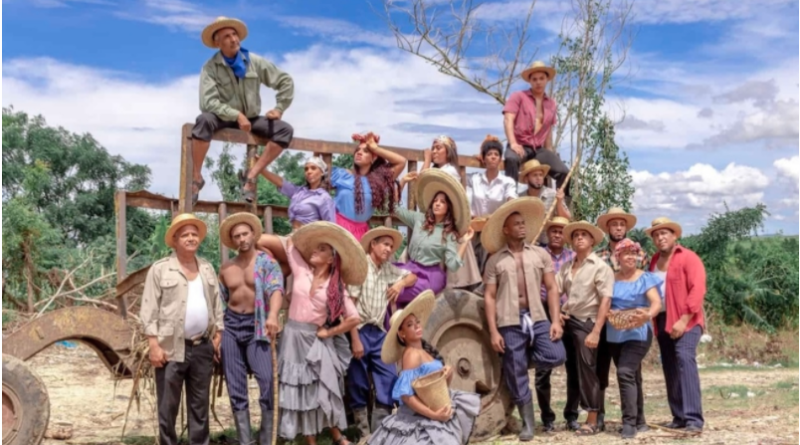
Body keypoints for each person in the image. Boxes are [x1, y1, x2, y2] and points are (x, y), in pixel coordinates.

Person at [482, 198, 566, 442]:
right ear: (505, 230)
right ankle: (528, 423)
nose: (521, 226)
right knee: (517, 374)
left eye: (523, 223)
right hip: (509, 320)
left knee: (557, 354)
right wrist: (493, 331)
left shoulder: (540, 254)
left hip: (537, 316)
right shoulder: (495, 260)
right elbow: (489, 297)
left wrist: (555, 320)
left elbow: (552, 288)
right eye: (516, 224)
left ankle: (516, 360)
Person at [278, 222, 367, 445]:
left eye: (322, 249)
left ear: (331, 259)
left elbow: (354, 318)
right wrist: (300, 229)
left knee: (322, 387)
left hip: (314, 340)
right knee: (300, 388)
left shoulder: (335, 287)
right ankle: (311, 442)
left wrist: (330, 331)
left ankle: (337, 436)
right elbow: (290, 245)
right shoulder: (302, 271)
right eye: (315, 248)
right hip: (292, 338)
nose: (315, 251)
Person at [191, 17, 295, 204]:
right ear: (218, 43)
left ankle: (250, 177)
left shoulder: (254, 61)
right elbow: (208, 102)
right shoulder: (210, 68)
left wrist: (279, 109)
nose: (233, 39)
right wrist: (236, 115)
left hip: (251, 118)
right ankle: (197, 177)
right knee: (203, 120)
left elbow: (285, 81)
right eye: (227, 36)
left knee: (285, 130)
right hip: (223, 117)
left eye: (234, 34)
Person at [140, 214, 224, 445]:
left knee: (200, 407)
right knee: (168, 407)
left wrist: (218, 336)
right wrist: (153, 345)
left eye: (194, 234)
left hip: (202, 347)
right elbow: (149, 308)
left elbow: (216, 303)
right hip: (170, 349)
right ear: (175, 240)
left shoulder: (206, 268)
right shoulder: (160, 270)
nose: (190, 238)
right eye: (185, 235)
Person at [368, 290, 480, 445]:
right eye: (409, 325)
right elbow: (406, 396)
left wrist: (447, 375)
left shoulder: (425, 352)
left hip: (435, 408)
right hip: (420, 416)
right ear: (402, 334)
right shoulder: (411, 355)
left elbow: (435, 389)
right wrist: (433, 415)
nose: (416, 326)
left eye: (417, 322)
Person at [218, 213, 284, 445]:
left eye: (245, 234)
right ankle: (245, 441)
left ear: (253, 235)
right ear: (232, 240)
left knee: (267, 380)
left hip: (258, 324)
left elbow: (276, 290)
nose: (242, 239)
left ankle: (266, 438)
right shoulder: (227, 268)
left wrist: (273, 315)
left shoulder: (267, 263)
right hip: (231, 327)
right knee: (235, 385)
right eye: (237, 236)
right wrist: (217, 332)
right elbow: (220, 301)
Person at [346, 227, 418, 438]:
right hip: (359, 328)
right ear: (373, 244)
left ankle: (379, 432)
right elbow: (350, 307)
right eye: (385, 244)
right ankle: (363, 433)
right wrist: (354, 338)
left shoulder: (387, 269)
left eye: (391, 246)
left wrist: (400, 283)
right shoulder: (361, 267)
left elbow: (412, 276)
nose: (388, 249)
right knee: (357, 379)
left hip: (379, 332)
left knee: (389, 375)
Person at [390, 169, 475, 327]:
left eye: (442, 202)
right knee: (383, 281)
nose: (437, 203)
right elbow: (394, 208)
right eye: (435, 200)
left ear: (448, 208)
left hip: (430, 277)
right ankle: (393, 332)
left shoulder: (448, 234)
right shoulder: (419, 219)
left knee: (394, 292)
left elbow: (453, 265)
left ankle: (396, 332)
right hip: (409, 268)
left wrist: (465, 242)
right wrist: (403, 182)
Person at [646, 217, 706, 433]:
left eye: (664, 233)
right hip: (662, 319)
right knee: (670, 365)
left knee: (684, 358)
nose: (660, 238)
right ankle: (679, 416)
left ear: (674, 236)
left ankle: (693, 420)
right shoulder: (654, 261)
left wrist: (683, 319)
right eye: (656, 235)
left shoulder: (688, 258)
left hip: (687, 320)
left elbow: (697, 290)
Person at [594, 206, 649, 430]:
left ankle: (638, 419)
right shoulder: (598, 256)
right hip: (603, 320)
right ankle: (598, 417)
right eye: (614, 224)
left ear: (626, 228)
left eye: (621, 224)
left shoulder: (640, 255)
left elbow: (644, 284)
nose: (618, 228)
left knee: (631, 372)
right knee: (600, 370)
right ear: (607, 228)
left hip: (629, 322)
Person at [556, 221, 614, 436]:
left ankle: (592, 419)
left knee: (588, 370)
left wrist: (596, 331)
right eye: (576, 235)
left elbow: (606, 300)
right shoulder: (567, 267)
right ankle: (571, 415)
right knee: (572, 369)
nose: (579, 237)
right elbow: (554, 290)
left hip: (588, 322)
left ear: (592, 241)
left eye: (584, 235)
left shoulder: (600, 267)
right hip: (569, 320)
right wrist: (556, 313)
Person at [606, 239, 662, 439]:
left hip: (639, 332)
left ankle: (629, 423)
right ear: (618, 257)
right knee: (633, 375)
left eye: (633, 253)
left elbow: (656, 302)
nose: (630, 257)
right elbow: (604, 301)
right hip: (615, 332)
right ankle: (640, 421)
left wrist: (648, 315)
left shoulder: (645, 278)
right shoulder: (611, 279)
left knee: (625, 372)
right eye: (626, 253)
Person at [533, 216, 581, 432]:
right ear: (547, 233)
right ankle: (547, 417)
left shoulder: (574, 256)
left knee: (574, 367)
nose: (557, 235)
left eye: (561, 231)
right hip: (543, 311)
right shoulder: (538, 254)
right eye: (553, 230)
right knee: (544, 366)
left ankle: (571, 415)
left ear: (566, 236)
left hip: (570, 313)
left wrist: (564, 311)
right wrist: (553, 314)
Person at [255, 156, 335, 277]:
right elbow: (279, 182)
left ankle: (277, 269)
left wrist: (325, 253)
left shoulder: (324, 197)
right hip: (292, 236)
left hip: (307, 241)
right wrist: (261, 166)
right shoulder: (299, 192)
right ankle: (275, 276)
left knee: (259, 240)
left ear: (322, 173)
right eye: (306, 169)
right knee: (275, 275)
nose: (309, 171)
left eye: (313, 168)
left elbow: (331, 226)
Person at [419, 135, 481, 290]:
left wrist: (426, 160)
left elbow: (421, 179)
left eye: (438, 148)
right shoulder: (439, 170)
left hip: (447, 222)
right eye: (433, 148)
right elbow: (421, 182)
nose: (434, 151)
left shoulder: (449, 171)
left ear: (448, 152)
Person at [502, 61, 571, 194]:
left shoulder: (551, 103)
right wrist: (513, 143)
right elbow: (508, 119)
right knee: (511, 159)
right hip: (520, 145)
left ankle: (562, 205)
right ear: (530, 81)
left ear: (547, 80)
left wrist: (550, 152)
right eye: (534, 79)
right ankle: (510, 200)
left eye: (541, 78)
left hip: (538, 149)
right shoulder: (518, 96)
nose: (538, 82)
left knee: (564, 173)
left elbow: (548, 130)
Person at [330, 132, 407, 240]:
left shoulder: (378, 181)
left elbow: (401, 162)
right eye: (357, 150)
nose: (359, 153)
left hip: (361, 233)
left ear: (373, 158)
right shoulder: (342, 174)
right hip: (337, 227)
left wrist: (375, 148)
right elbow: (319, 176)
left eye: (365, 151)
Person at [467, 135, 518, 273]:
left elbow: (512, 201)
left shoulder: (507, 182)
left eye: (496, 154)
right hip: (474, 227)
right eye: (489, 154)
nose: (493, 157)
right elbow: (466, 199)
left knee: (490, 265)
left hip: (495, 229)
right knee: (471, 263)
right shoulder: (474, 179)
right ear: (483, 159)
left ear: (500, 159)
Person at [520, 159, 571, 245]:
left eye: (541, 175)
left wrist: (559, 202)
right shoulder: (520, 199)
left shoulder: (553, 194)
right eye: (535, 175)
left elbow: (566, 218)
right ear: (526, 179)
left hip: (548, 245)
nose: (538, 178)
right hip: (527, 244)